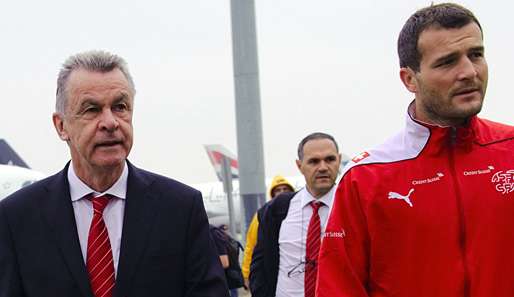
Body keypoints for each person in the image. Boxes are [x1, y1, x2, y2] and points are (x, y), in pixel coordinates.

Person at [317, 3, 514, 297]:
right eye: (447, 62)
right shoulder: (365, 179)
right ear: (409, 79)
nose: (469, 72)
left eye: (476, 55)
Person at [0, 50, 229, 297]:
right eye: (91, 109)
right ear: (61, 126)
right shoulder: (17, 218)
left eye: (120, 107)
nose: (110, 122)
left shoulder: (181, 209)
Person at [250, 132, 341, 297]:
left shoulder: (353, 208)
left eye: (330, 159)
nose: (322, 167)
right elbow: (260, 266)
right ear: (300, 166)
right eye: (313, 161)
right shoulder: (277, 210)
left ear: (339, 160)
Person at [241, 175, 295, 289]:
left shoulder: (302, 211)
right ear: (272, 194)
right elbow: (251, 245)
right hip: (271, 270)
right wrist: (246, 275)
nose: (282, 193)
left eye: (285, 189)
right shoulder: (263, 215)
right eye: (278, 190)